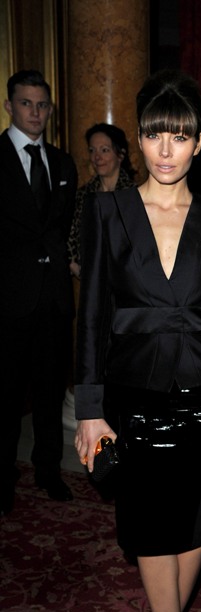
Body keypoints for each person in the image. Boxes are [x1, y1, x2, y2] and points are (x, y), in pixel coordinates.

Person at [74, 69, 201, 612]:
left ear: (199, 143)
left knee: (192, 522)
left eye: (180, 136)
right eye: (155, 135)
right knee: (145, 527)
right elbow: (91, 313)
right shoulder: (106, 211)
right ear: (138, 141)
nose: (167, 150)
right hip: (132, 393)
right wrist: (89, 408)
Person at [0, 69, 78, 515]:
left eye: (42, 104)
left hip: (53, 299)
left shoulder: (63, 163)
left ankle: (49, 471)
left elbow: (59, 229)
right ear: (10, 106)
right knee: (6, 396)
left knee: (49, 392)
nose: (35, 112)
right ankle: (2, 479)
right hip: (8, 300)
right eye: (26, 103)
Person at [68, 122, 137, 279]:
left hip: (127, 283)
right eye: (92, 150)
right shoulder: (82, 195)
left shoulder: (135, 196)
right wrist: (75, 266)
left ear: (120, 154)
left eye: (104, 150)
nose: (97, 157)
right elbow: (69, 235)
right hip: (90, 281)